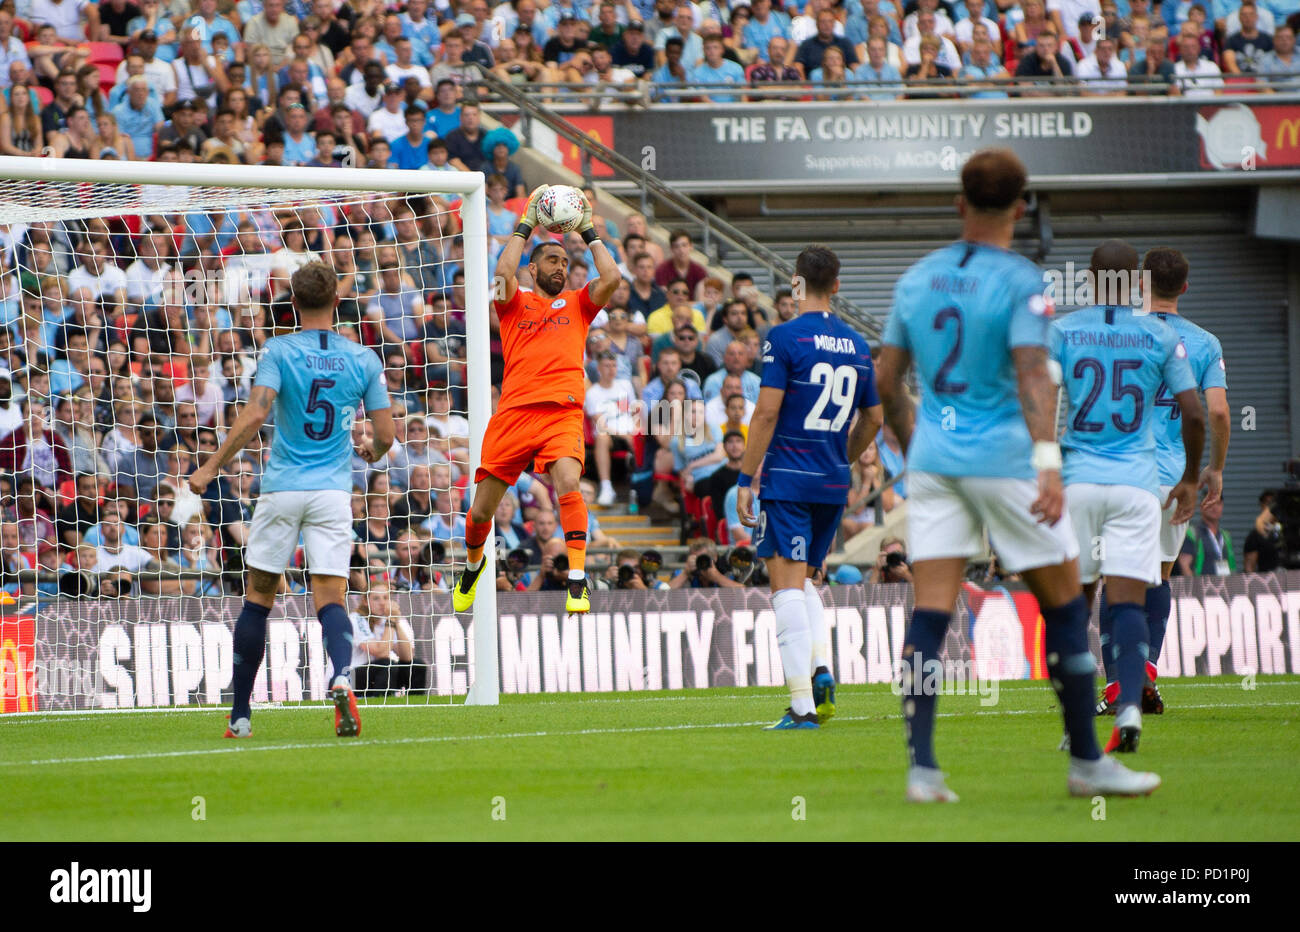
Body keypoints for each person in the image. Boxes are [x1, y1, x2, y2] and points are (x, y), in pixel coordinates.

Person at [874, 148, 1159, 801]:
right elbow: (1034, 369)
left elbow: (887, 378)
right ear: (1022, 207)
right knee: (1063, 602)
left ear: (958, 203)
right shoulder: (1022, 280)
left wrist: (918, 442)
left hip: (936, 461)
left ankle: (922, 770)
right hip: (1004, 459)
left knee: (929, 611)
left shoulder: (918, 277)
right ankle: (1087, 763)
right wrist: (1048, 461)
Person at [188, 261, 395, 741]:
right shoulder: (363, 358)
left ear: (293, 303)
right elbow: (385, 433)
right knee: (331, 599)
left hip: (281, 488)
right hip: (331, 493)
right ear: (337, 303)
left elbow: (256, 413)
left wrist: (212, 465)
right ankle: (342, 674)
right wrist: (374, 450)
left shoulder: (278, 349)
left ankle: (240, 715)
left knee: (259, 599)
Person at [1049, 239, 1205, 756]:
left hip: (1080, 483)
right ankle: (1132, 706)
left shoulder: (1064, 330)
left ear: (1090, 281)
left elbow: (1039, 403)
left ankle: (1077, 725)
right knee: (1132, 595)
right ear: (1136, 281)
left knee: (1076, 603)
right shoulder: (1158, 334)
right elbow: (1197, 412)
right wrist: (1189, 478)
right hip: (1139, 484)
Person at [452, 187, 620, 617]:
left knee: (568, 482)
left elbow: (613, 279)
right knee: (481, 511)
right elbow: (502, 272)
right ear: (533, 267)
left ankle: (578, 580)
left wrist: (588, 231)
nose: (561, 268)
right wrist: (525, 224)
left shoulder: (579, 305)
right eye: (553, 260)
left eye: (565, 262)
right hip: (512, 415)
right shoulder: (515, 303)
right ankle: (473, 567)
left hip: (561, 412)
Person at [736, 245, 883, 730]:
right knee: (807, 583)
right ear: (837, 286)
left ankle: (802, 707)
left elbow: (767, 412)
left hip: (789, 479)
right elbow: (875, 417)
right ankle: (820, 669)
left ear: (796, 283)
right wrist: (841, 456)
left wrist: (744, 477)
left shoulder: (784, 337)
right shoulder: (859, 345)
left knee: (784, 589)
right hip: (831, 482)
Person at [1137, 246, 1229, 715]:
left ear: (1140, 283)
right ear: (1185, 288)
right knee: (1158, 578)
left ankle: (1119, 687)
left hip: (1123, 472)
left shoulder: (1124, 336)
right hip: (1177, 479)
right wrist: (1213, 469)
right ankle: (1146, 677)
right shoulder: (1205, 343)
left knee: (1118, 580)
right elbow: (1216, 410)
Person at [1243, 491, 1282, 573]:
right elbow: (1249, 567)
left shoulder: (1287, 531)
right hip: (1268, 581)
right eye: (1268, 504)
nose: (1271, 509)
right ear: (1262, 506)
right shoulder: (1255, 535)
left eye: (1274, 505)